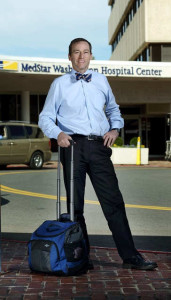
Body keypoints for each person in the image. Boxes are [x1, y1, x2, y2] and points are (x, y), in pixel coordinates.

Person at [39, 38, 157, 270]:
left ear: (91, 56)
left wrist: (115, 128)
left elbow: (113, 109)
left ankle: (130, 256)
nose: (81, 57)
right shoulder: (59, 84)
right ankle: (80, 256)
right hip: (72, 146)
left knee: (113, 202)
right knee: (76, 207)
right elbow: (45, 117)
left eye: (85, 52)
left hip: (99, 147)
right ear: (70, 56)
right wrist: (58, 133)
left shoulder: (101, 81)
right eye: (76, 52)